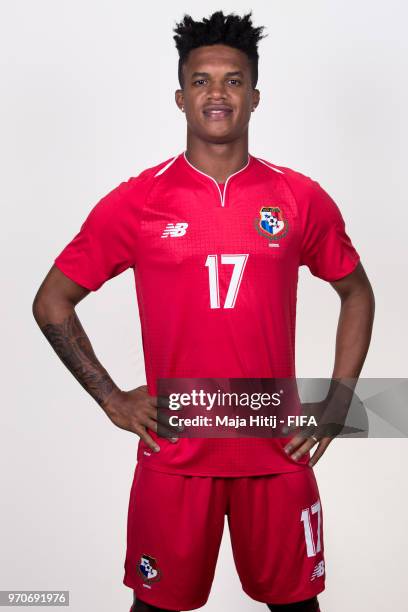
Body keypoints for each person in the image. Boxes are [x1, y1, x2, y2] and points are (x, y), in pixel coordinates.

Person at [32, 10, 375, 612]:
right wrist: (111, 397)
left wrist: (341, 398)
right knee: (157, 608)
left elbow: (357, 293)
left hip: (275, 450)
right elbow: (51, 301)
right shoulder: (138, 201)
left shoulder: (299, 198)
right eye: (202, 80)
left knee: (298, 607)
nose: (217, 93)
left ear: (255, 95)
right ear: (180, 96)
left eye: (234, 80)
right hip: (176, 457)